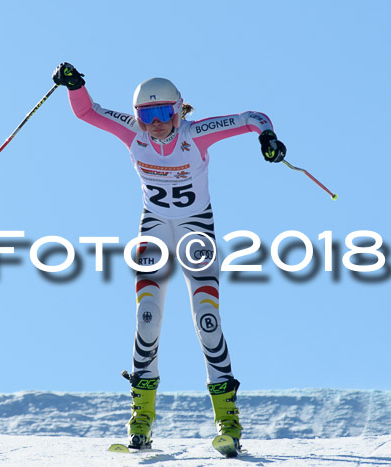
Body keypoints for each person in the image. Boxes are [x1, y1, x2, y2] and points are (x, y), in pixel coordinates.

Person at [52, 62, 286, 457]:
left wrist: (268, 137)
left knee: (207, 320)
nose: (156, 123)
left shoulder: (196, 135)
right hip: (154, 229)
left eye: (164, 114)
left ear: (180, 111)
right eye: (147, 115)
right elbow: (87, 111)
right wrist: (76, 85)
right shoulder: (132, 133)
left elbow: (251, 118)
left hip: (196, 229)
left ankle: (228, 424)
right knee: (147, 318)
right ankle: (140, 421)